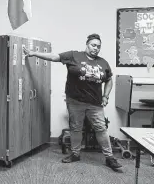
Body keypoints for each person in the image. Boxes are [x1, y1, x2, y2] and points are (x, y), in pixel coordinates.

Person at [23, 33, 122, 170]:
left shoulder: (103, 62)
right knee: (76, 128)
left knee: (101, 129)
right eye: (93, 45)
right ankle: (75, 154)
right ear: (87, 44)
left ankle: (109, 158)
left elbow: (109, 79)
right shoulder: (74, 56)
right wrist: (34, 53)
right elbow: (54, 56)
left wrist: (105, 96)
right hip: (75, 102)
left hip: (95, 103)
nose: (96, 49)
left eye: (98, 47)